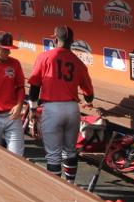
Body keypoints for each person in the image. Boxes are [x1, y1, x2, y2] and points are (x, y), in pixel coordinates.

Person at [27, 25, 94, 183]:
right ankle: (70, 185)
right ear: (72, 42)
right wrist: (88, 101)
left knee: (53, 154)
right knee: (70, 151)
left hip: (52, 109)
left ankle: (56, 190)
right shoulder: (78, 62)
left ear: (55, 39)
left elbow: (35, 86)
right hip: (72, 109)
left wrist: (33, 109)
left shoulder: (44, 57)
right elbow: (89, 95)